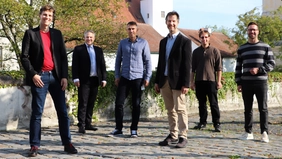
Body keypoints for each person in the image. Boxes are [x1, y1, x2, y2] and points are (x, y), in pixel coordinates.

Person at [20, 4, 77, 157]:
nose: (47, 18)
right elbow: (24, 57)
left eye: (50, 16)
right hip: (40, 77)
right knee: (37, 113)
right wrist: (33, 74)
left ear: (52, 18)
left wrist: (64, 76)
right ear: (40, 16)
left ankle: (67, 143)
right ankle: (34, 146)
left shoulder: (57, 34)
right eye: (45, 15)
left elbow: (63, 57)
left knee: (63, 113)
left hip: (56, 77)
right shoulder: (30, 34)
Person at [154, 11, 192, 148]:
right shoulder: (163, 42)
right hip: (164, 81)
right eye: (169, 21)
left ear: (178, 22)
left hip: (178, 82)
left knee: (180, 109)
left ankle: (183, 136)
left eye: (174, 21)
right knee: (170, 110)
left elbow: (187, 65)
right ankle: (173, 134)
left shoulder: (185, 41)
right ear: (166, 23)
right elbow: (161, 62)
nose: (171, 23)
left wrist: (186, 83)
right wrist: (157, 81)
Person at [109, 21, 152, 138]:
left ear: (137, 30)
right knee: (119, 103)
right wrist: (117, 75)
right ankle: (118, 128)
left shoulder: (143, 43)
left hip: (138, 77)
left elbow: (148, 61)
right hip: (125, 76)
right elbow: (118, 60)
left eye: (133, 29)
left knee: (136, 104)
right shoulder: (123, 43)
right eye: (129, 29)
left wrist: (147, 77)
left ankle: (134, 129)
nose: (131, 31)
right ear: (127, 30)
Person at [235, 22, 275, 143]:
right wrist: (238, 82)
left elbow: (272, 64)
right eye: (250, 30)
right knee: (248, 108)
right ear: (247, 32)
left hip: (261, 82)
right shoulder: (242, 48)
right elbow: (238, 67)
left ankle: (264, 133)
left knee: (263, 108)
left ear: (258, 31)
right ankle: (248, 132)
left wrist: (260, 70)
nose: (252, 32)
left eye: (254, 30)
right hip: (246, 82)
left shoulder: (266, 46)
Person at [72, 30, 107, 134]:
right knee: (83, 102)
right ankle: (81, 125)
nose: (89, 39)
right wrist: (75, 78)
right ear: (84, 38)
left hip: (95, 80)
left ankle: (88, 123)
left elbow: (102, 66)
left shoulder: (98, 50)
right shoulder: (78, 49)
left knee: (91, 103)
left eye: (91, 37)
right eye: (87, 37)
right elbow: (75, 65)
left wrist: (104, 78)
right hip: (83, 80)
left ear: (94, 38)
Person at [190, 28, 222, 132]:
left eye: (206, 37)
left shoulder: (214, 51)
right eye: (202, 37)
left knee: (213, 103)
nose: (204, 39)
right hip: (199, 81)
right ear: (199, 39)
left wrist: (219, 81)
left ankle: (216, 123)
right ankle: (202, 122)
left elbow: (219, 68)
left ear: (209, 38)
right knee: (201, 104)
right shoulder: (195, 52)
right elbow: (192, 69)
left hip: (211, 80)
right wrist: (192, 82)